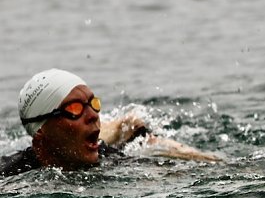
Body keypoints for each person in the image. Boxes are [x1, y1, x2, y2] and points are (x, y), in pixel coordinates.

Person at [2, 68, 219, 177]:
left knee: (138, 130)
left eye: (93, 103)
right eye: (74, 109)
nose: (93, 115)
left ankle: (126, 129)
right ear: (42, 134)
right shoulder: (11, 175)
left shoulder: (108, 158)